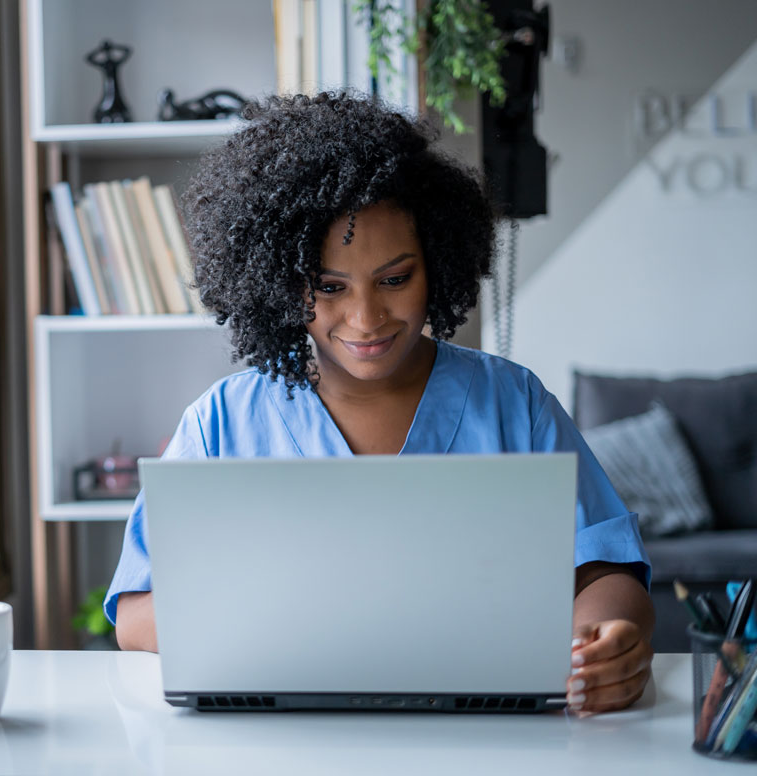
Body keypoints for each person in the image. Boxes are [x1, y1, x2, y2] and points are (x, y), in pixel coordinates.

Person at [105, 92, 654, 714]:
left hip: (487, 743)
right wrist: (295, 619)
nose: (366, 319)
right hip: (279, 748)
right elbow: (136, 613)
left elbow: (606, 571)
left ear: (439, 264)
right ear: (278, 283)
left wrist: (608, 639)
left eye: (395, 279)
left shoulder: (513, 402)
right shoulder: (220, 423)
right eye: (329, 287)